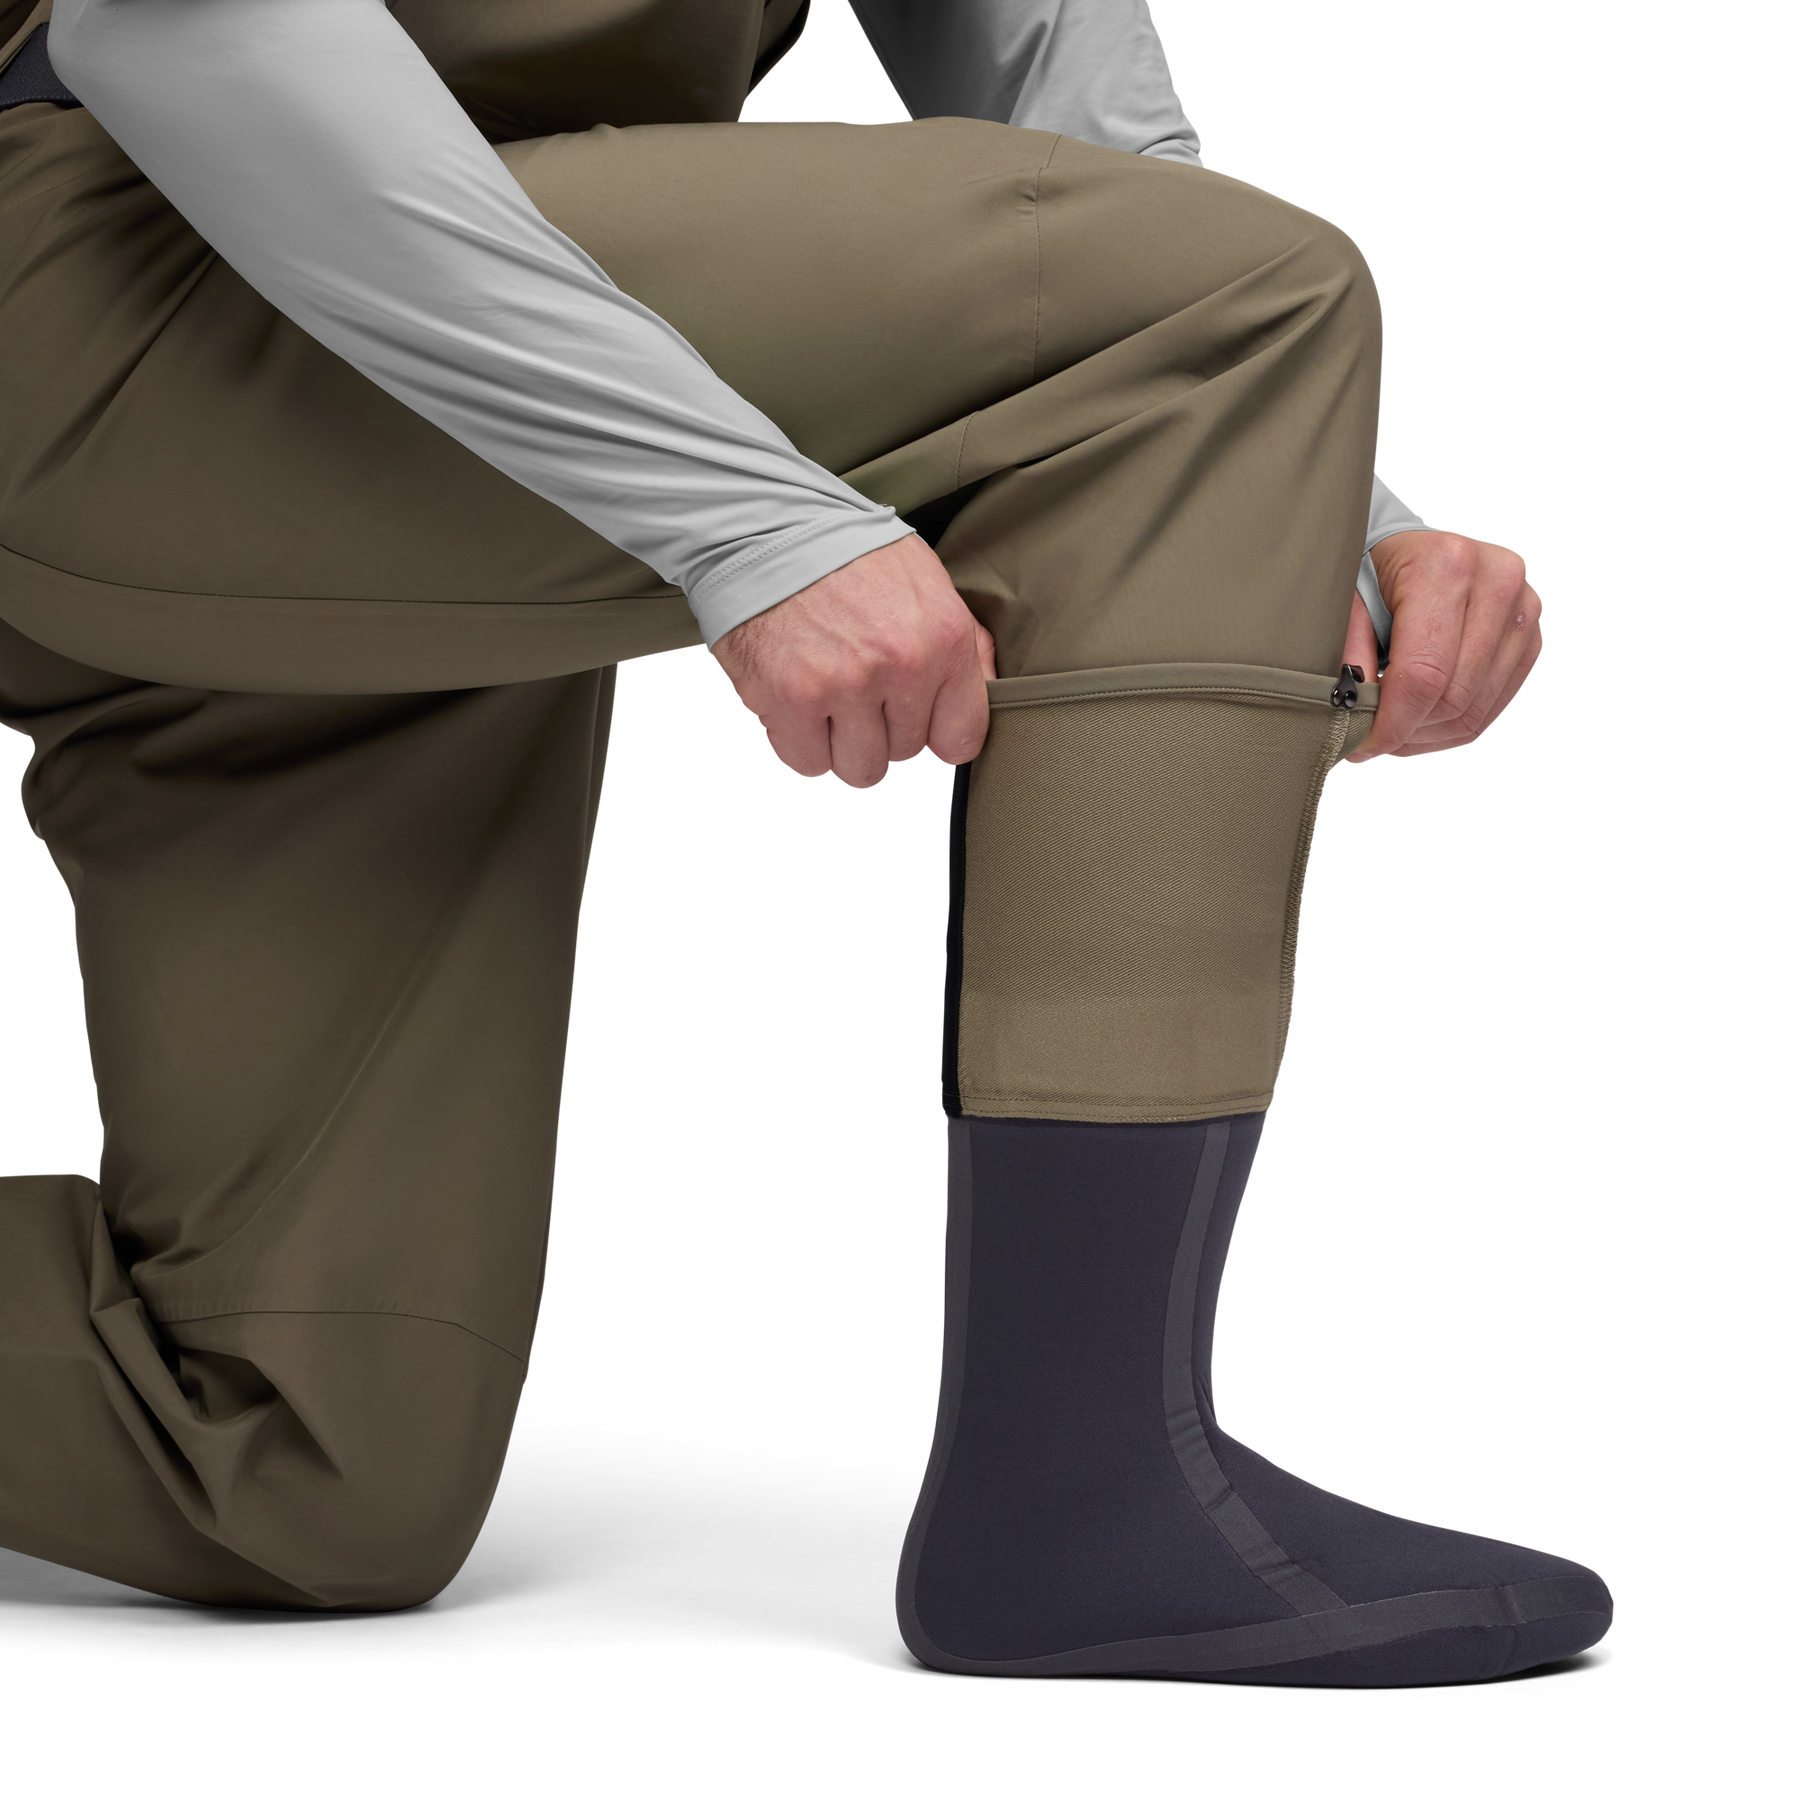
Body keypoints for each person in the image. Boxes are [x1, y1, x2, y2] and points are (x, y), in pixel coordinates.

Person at [0, 0, 1609, 1682]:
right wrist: (751, 523)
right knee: (1242, 304)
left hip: (369, 398)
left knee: (289, 1464)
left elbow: (1066, 97)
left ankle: (1068, 1487)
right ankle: (1086, 1480)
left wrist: (1315, 499)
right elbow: (188, 34)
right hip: (127, 293)